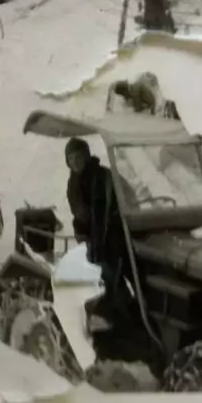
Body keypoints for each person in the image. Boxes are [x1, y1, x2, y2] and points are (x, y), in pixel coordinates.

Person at [64, 137, 135, 319]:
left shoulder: (103, 176)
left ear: (87, 157)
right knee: (96, 277)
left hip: (112, 233)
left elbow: (122, 202)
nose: (75, 162)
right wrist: (82, 234)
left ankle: (123, 316)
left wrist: (100, 239)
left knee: (113, 275)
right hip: (89, 237)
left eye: (78, 157)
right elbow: (79, 213)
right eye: (70, 159)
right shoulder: (73, 183)